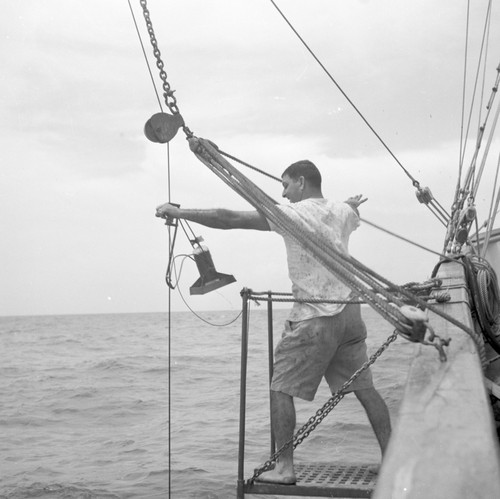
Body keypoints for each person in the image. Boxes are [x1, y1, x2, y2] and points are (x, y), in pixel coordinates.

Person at [155, 159, 391, 484]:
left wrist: (179, 212)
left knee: (280, 387)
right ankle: (391, 457)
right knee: (365, 388)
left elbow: (228, 219)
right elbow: (347, 213)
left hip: (315, 318)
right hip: (350, 315)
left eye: (285, 184)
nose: (282, 192)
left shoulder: (290, 215)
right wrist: (349, 204)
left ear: (302, 183)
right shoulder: (342, 212)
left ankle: (285, 469)